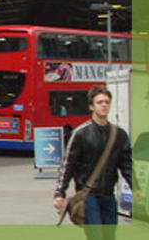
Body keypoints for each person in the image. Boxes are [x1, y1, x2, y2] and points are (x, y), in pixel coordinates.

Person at [53, 85, 132, 240]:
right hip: (88, 196)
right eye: (100, 102)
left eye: (107, 102)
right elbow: (68, 165)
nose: (104, 105)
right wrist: (59, 192)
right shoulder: (81, 133)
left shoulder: (119, 134)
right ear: (91, 106)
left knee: (109, 236)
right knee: (96, 235)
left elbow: (126, 165)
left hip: (108, 195)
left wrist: (137, 189)